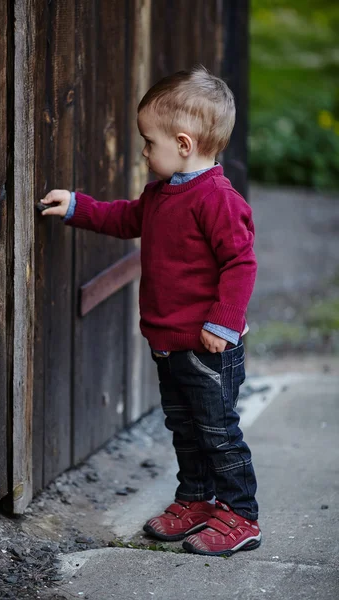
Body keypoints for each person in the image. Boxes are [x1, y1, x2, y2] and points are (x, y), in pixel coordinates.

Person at [39, 65, 261, 557]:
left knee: (218, 431)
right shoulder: (162, 193)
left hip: (208, 347)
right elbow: (124, 218)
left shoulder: (218, 199)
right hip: (169, 342)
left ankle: (241, 515)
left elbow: (240, 262)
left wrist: (222, 322)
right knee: (185, 429)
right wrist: (77, 205)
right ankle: (197, 500)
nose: (143, 152)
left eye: (148, 142)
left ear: (183, 143)